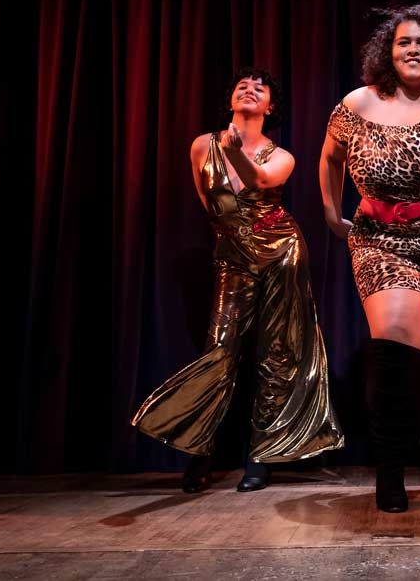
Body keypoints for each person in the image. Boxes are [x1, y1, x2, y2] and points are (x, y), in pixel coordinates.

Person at [133, 68, 344, 493]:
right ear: (231, 100)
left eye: (259, 89)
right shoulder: (201, 146)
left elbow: (262, 181)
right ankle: (198, 452)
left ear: (269, 107)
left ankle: (261, 456)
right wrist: (229, 241)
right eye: (242, 87)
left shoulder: (280, 155)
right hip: (233, 256)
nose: (250, 91)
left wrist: (236, 153)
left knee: (277, 352)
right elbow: (211, 206)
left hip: (282, 251)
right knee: (220, 349)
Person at [320, 5, 420, 512]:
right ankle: (389, 474)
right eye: (402, 42)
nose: (412, 50)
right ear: (386, 53)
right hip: (380, 238)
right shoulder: (357, 103)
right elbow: (330, 157)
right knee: (392, 353)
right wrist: (330, 212)